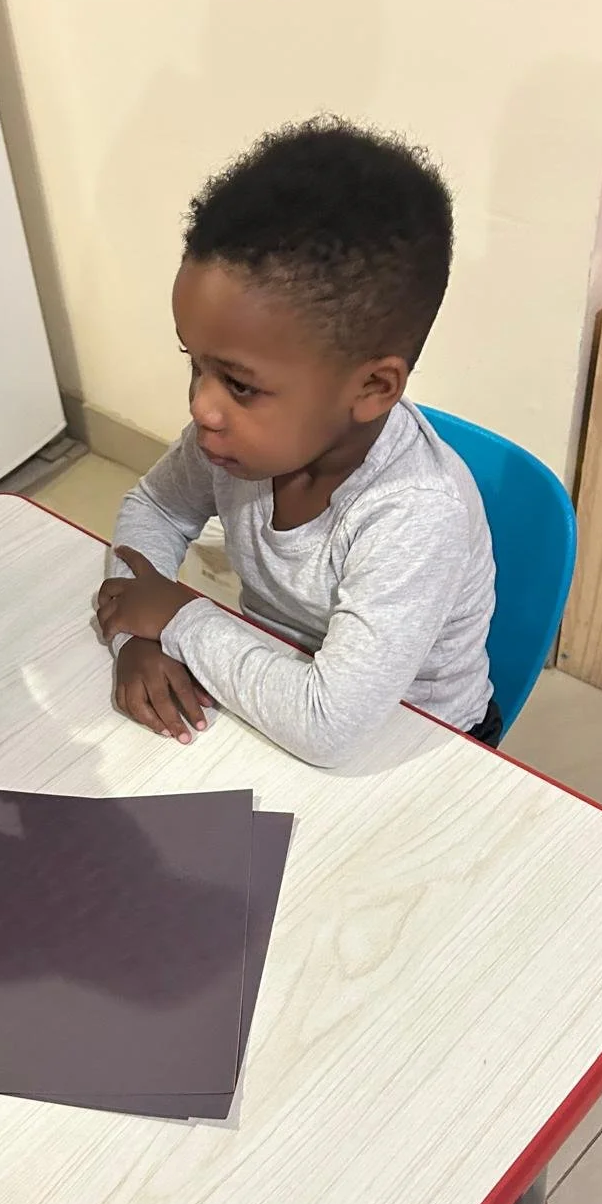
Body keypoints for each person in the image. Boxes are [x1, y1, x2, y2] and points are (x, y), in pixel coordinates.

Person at [95, 118, 498, 768]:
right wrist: (134, 638)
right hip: (275, 692)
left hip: (422, 750)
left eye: (239, 384)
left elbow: (329, 727)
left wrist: (176, 618)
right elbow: (155, 508)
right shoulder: (237, 441)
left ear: (370, 388)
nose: (202, 405)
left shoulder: (417, 511)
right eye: (194, 363)